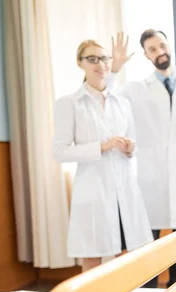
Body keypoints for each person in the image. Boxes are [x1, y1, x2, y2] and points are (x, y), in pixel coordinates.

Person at [109, 31, 176, 288]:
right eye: (152, 49)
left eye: (162, 45)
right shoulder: (135, 89)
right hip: (151, 180)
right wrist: (114, 70)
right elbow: (107, 105)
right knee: (147, 252)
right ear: (146, 55)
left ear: (169, 46)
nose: (159, 51)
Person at [53, 39, 153, 272]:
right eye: (92, 59)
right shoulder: (69, 104)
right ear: (80, 63)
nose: (100, 64)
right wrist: (101, 146)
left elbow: (133, 141)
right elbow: (59, 152)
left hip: (123, 189)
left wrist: (129, 148)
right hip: (93, 191)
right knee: (92, 256)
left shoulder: (122, 103)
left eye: (104, 58)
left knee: (126, 256)